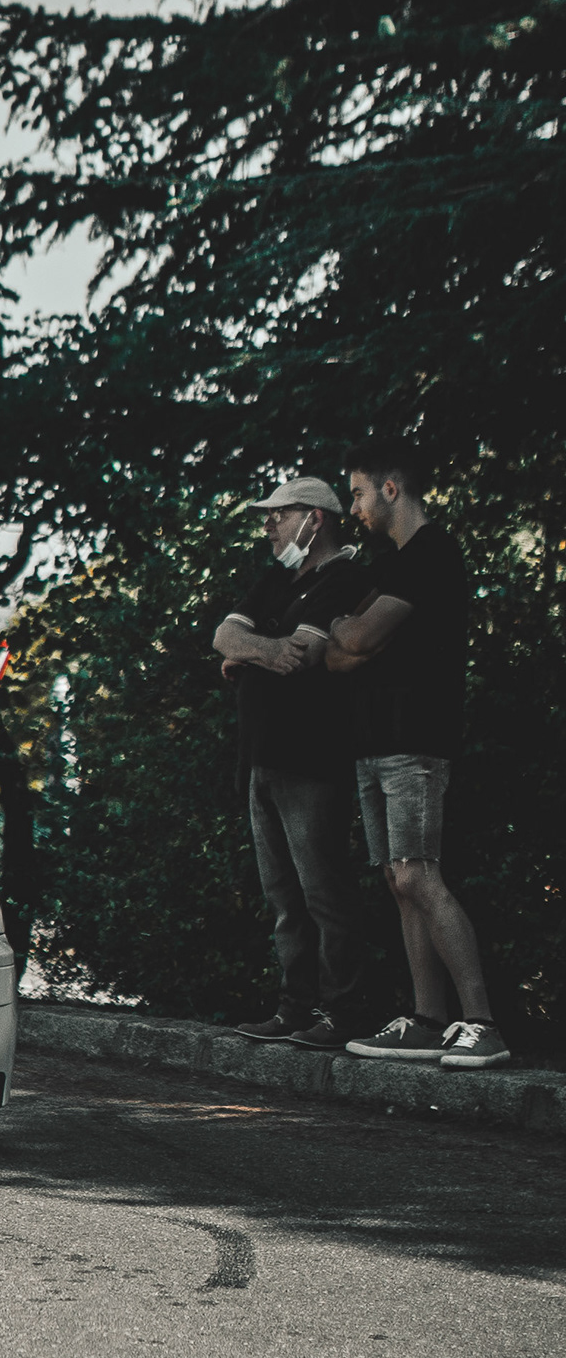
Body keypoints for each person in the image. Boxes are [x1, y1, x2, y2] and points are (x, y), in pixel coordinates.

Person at [327, 448, 508, 1068]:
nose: (353, 507)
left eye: (358, 493)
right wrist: (353, 638)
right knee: (397, 882)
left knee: (417, 875)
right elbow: (339, 657)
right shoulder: (390, 565)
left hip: (416, 742)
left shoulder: (432, 554)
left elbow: (354, 638)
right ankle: (428, 1022)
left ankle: (483, 1025)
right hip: (373, 744)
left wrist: (351, 632)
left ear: (391, 488)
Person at [213, 475, 370, 1048]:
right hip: (261, 758)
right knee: (283, 899)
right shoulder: (277, 579)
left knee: (324, 893)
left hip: (311, 758)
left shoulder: (345, 577)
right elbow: (224, 636)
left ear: (315, 518)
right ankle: (294, 1008)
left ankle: (341, 1013)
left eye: (279, 515)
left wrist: (249, 654)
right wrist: (263, 650)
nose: (268, 526)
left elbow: (303, 654)